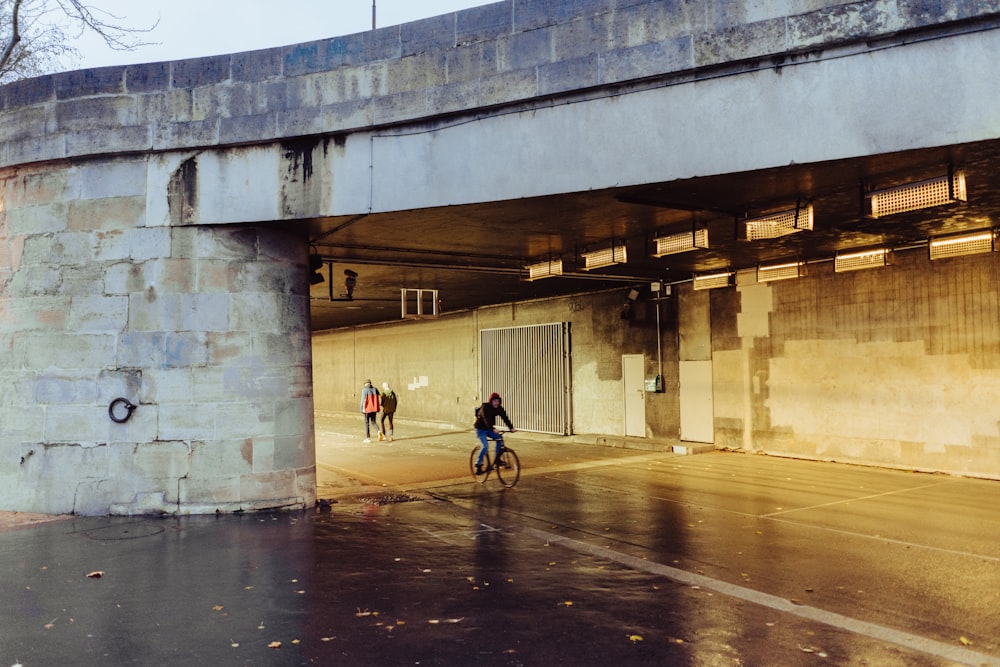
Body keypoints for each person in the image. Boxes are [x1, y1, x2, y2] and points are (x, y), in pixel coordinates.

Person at [473, 392, 515, 475]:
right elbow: (486, 419)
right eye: (494, 401)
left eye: (498, 401)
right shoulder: (485, 407)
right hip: (480, 429)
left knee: (499, 439)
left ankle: (497, 459)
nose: (496, 403)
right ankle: (478, 464)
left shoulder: (499, 408)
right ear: (491, 401)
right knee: (485, 446)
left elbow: (505, 417)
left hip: (489, 429)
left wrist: (511, 427)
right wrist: (492, 428)